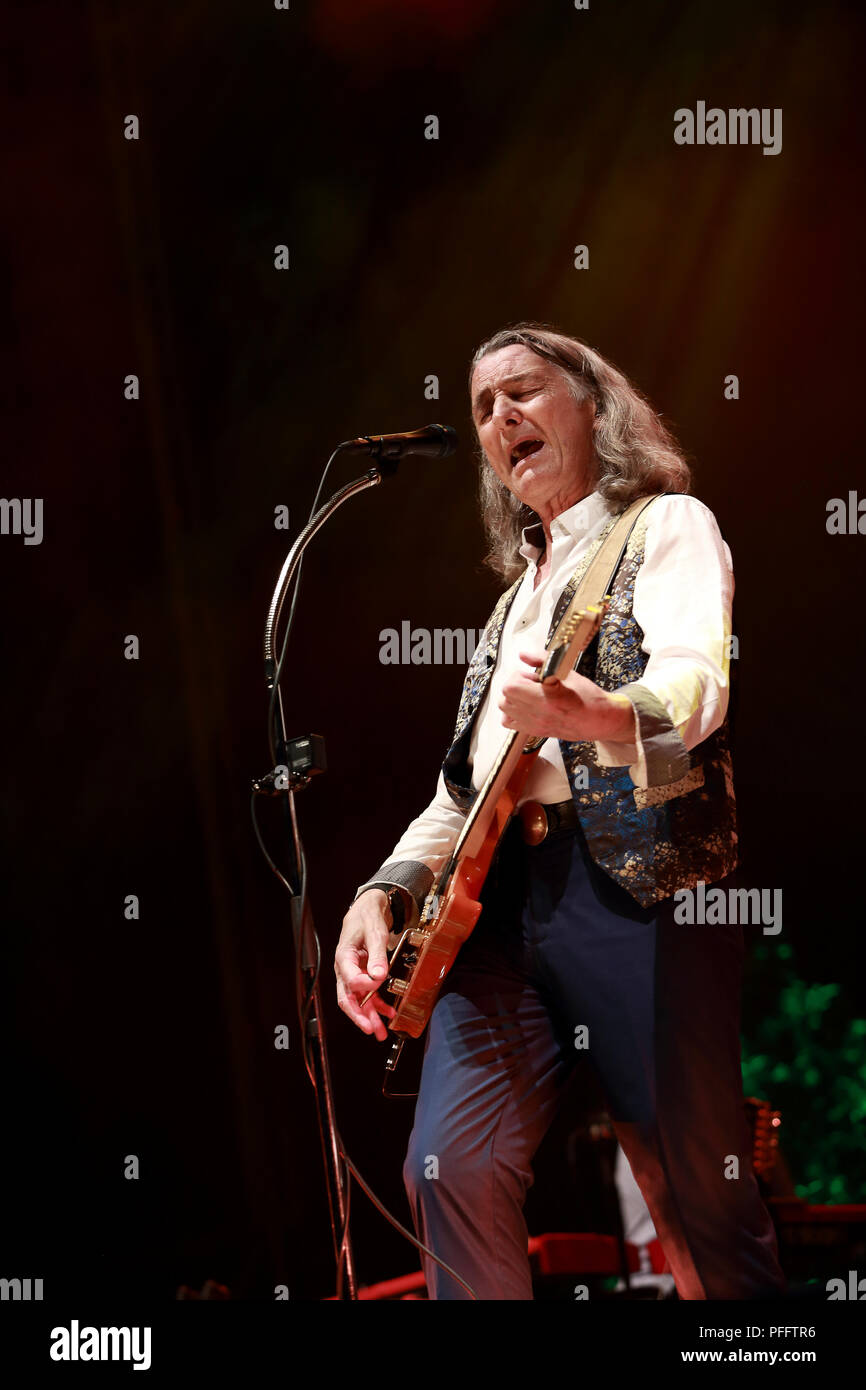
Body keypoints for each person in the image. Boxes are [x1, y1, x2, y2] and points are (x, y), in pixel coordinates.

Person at [334, 323, 786, 1301]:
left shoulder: (665, 526)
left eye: (523, 391)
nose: (499, 417)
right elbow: (462, 792)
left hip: (636, 884)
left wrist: (594, 717)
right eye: (483, 406)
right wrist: (383, 889)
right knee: (446, 1164)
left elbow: (695, 697)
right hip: (501, 913)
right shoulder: (510, 606)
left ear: (593, 405)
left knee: (689, 1195)